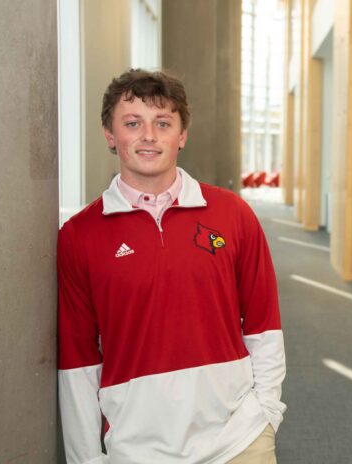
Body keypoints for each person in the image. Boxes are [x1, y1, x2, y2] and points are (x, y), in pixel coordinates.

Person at [58, 69, 286, 464]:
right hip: (135, 448)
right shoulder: (80, 235)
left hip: (237, 438)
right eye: (133, 123)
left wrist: (265, 412)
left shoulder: (232, 214)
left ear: (181, 136)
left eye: (162, 123)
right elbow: (78, 359)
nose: (149, 135)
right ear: (111, 136)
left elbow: (264, 325)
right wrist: (85, 459)